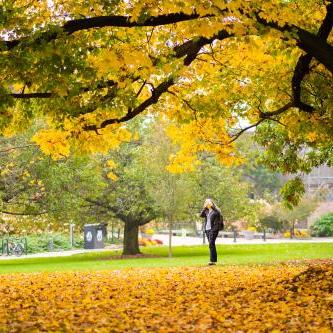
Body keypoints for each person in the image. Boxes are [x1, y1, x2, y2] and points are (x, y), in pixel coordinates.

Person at [200, 198, 223, 265]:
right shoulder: (206, 211)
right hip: (207, 229)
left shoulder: (216, 210)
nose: (207, 203)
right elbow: (201, 215)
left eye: (208, 202)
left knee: (211, 243)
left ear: (212, 202)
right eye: (206, 202)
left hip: (214, 229)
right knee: (211, 244)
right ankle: (213, 261)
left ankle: (212, 261)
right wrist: (204, 208)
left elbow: (218, 213)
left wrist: (212, 206)